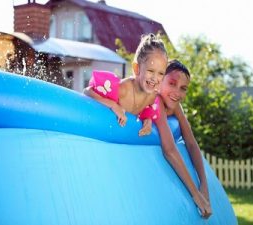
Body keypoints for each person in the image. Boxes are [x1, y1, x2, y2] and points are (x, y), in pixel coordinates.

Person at [84, 34, 210, 218]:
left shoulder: (159, 99)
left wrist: (202, 188)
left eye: (160, 73)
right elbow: (87, 91)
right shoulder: (135, 91)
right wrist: (113, 104)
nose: (156, 78)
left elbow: (182, 145)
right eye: (151, 71)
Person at [155, 59, 212, 217]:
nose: (177, 93)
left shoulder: (175, 105)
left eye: (183, 88)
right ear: (159, 80)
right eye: (172, 83)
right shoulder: (156, 99)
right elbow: (169, 150)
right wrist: (196, 194)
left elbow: (191, 143)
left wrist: (204, 185)